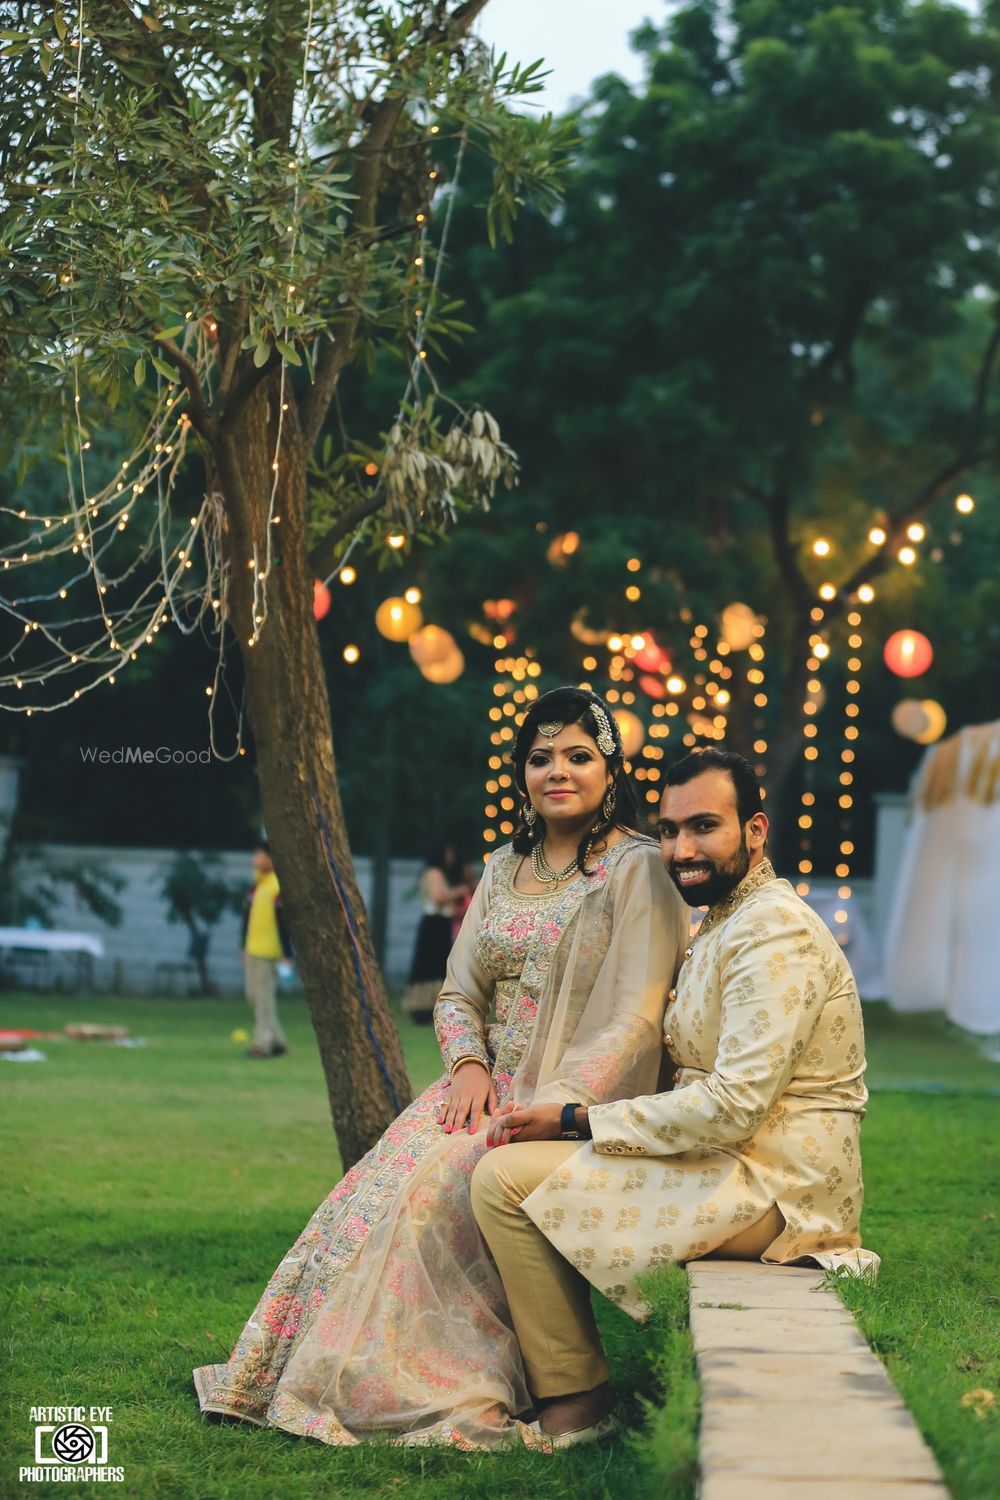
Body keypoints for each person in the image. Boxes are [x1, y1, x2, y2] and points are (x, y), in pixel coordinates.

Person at [194, 688, 688, 1449]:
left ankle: (417, 1382)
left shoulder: (638, 869)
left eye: (578, 756)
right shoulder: (501, 869)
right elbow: (460, 991)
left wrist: (556, 1107)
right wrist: (464, 1063)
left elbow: (634, 1019)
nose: (557, 771)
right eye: (540, 757)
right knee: (370, 1197)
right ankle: (314, 1370)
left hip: (566, 1105)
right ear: (522, 772)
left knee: (431, 1196)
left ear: (610, 769)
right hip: (480, 1088)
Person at [471, 748, 880, 1449]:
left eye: (703, 827)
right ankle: (569, 1390)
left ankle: (577, 1406)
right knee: (512, 1167)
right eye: (667, 830)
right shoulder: (725, 920)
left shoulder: (772, 929)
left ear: (755, 830)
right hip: (735, 1165)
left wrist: (577, 1120)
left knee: (502, 1180)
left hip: (780, 1190)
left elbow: (733, 1105)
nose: (681, 850)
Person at [401, 844, 468, 1022]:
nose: (451, 856)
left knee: (438, 966)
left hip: (440, 923)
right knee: (432, 965)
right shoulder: (434, 873)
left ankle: (433, 1006)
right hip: (435, 924)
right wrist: (458, 891)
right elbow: (437, 897)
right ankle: (424, 1007)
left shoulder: (438, 873)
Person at [241, 842, 293, 1059]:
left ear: (271, 859)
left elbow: (284, 923)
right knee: (254, 997)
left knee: (263, 1000)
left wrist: (287, 954)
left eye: (259, 856)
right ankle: (278, 1040)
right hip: (253, 950)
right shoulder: (258, 885)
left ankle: (262, 1044)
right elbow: (247, 920)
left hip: (270, 953)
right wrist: (243, 947)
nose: (255, 860)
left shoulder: (277, 886)